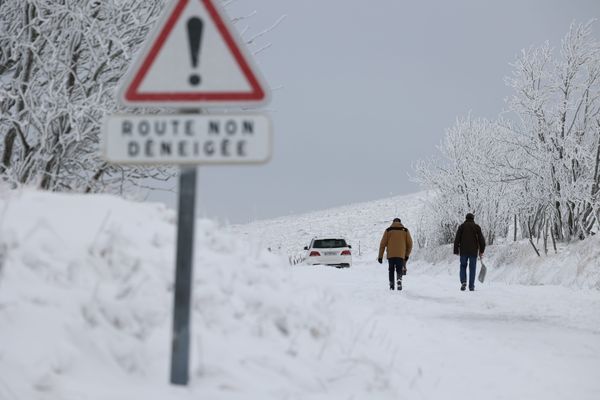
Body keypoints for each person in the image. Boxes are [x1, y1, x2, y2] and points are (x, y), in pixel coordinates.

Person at [453, 213, 486, 291]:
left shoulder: (461, 227)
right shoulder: (477, 227)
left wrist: (456, 250)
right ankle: (471, 286)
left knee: (463, 266)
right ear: (473, 219)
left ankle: (463, 281)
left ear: (466, 218)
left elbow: (457, 239)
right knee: (472, 268)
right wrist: (481, 251)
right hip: (473, 252)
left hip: (463, 251)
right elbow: (482, 241)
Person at [378, 218, 413, 291]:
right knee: (399, 269)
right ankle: (399, 280)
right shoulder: (405, 231)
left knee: (391, 270)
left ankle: (391, 285)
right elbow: (410, 244)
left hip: (391, 255)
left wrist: (380, 256)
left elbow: (382, 244)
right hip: (401, 255)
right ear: (400, 222)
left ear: (393, 222)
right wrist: (406, 255)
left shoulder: (388, 230)